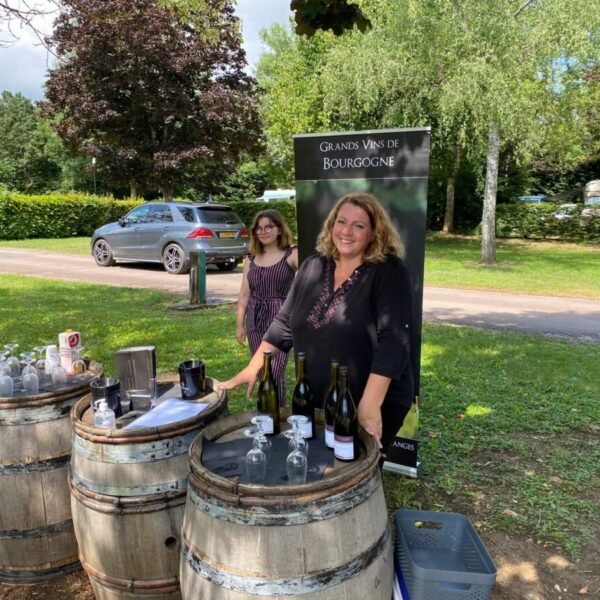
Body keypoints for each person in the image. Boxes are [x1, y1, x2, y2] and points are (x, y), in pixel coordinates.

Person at [223, 192, 414, 453]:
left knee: (353, 471)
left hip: (371, 398)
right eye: (341, 222)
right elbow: (284, 324)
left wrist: (369, 406)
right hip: (318, 395)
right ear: (331, 225)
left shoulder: (389, 271)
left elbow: (394, 341)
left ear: (373, 233)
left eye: (358, 226)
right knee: (320, 466)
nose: (346, 231)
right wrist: (252, 367)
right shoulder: (312, 266)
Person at [235, 209, 298, 406]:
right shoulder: (251, 258)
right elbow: (244, 294)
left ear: (279, 229)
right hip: (254, 318)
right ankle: (266, 412)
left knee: (275, 371)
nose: (263, 231)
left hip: (279, 319)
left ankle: (276, 413)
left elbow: (310, 283)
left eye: (269, 226)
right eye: (258, 228)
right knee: (261, 370)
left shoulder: (292, 254)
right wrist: (239, 325)